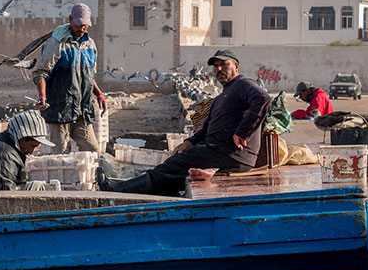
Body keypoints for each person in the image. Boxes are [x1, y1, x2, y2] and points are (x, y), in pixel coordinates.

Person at [98, 49, 271, 196]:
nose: (219, 69)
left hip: (231, 154)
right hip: (217, 151)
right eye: (215, 66)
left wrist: (242, 132)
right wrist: (189, 142)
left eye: (224, 65)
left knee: (175, 165)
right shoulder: (221, 96)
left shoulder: (242, 84)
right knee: (176, 165)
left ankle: (119, 189)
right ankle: (131, 187)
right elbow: (206, 129)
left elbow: (263, 98)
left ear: (236, 67)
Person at [31, 2, 106, 154]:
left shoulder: (90, 45)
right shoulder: (56, 43)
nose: (81, 28)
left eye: (85, 25)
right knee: (60, 154)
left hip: (82, 110)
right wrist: (42, 96)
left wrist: (99, 94)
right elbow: (41, 73)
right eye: (78, 24)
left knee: (93, 151)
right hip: (60, 108)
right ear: (70, 19)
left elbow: (89, 76)